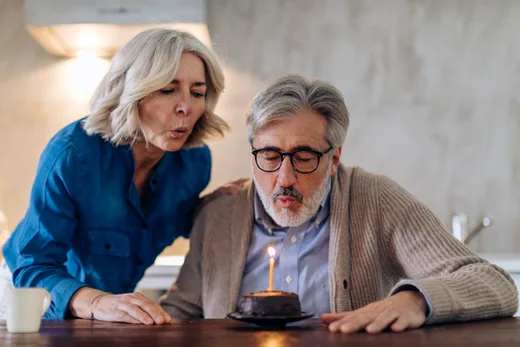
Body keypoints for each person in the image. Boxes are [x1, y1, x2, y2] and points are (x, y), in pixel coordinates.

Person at [159, 75, 519, 334]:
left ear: (334, 157)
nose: (284, 177)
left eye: (303, 157)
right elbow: (180, 312)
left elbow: (494, 284)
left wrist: (414, 300)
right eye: (269, 155)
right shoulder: (220, 213)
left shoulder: (376, 199)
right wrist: (111, 306)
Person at [2, 28, 232, 324]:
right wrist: (97, 301)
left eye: (197, 93)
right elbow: (33, 266)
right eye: (167, 89)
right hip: (23, 301)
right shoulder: (73, 154)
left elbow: (175, 219)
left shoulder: (195, 162)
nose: (186, 107)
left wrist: (216, 204)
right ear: (131, 91)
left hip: (103, 309)